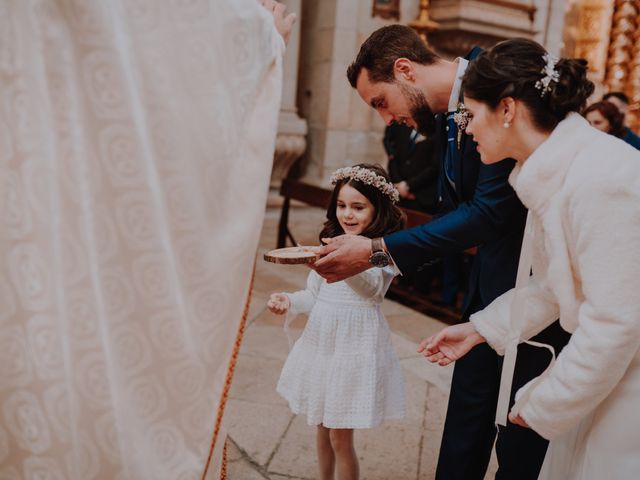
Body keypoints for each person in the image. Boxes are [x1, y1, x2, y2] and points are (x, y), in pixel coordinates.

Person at [313, 25, 569, 479]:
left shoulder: (495, 90)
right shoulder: (447, 115)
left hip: (534, 300)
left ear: (405, 70)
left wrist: (376, 250)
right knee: (462, 435)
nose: (385, 118)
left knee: (521, 443)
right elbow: (453, 213)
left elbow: (489, 212)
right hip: (482, 298)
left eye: (380, 102)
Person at [420, 38, 640, 479]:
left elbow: (616, 322)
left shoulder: (600, 179)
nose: (468, 127)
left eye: (472, 113)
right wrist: (482, 329)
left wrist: (548, 402)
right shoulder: (552, 173)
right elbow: (554, 285)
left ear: (506, 109)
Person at [268, 164, 406, 480]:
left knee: (339, 437)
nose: (348, 215)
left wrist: (337, 267)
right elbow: (314, 295)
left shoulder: (382, 252)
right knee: (320, 426)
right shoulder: (332, 239)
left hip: (352, 351)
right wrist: (289, 300)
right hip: (324, 346)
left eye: (358, 207)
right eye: (342, 205)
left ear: (378, 209)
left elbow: (372, 292)